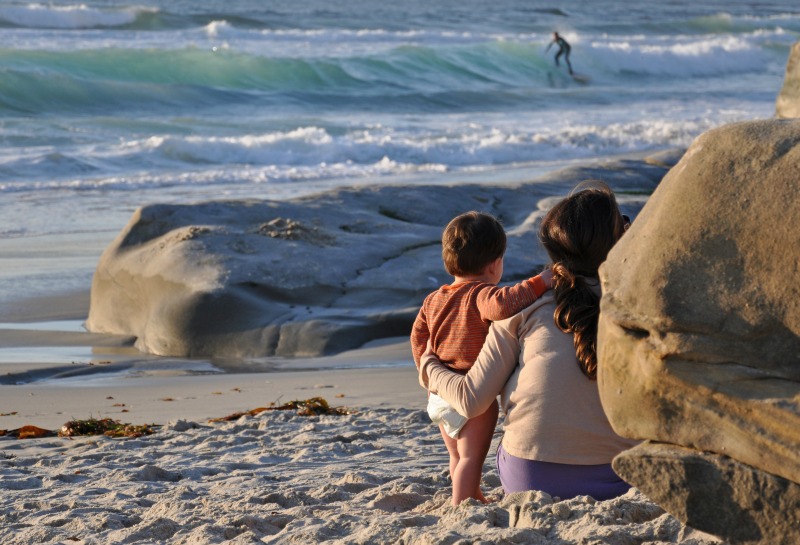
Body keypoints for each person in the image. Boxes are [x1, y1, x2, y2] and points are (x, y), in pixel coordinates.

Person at [419, 182, 638, 501]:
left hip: (530, 477)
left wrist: (428, 367)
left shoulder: (519, 310)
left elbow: (470, 401)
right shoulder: (641, 308)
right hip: (621, 478)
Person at [411, 211, 553, 505]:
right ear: (495, 264)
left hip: (439, 392)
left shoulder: (433, 299)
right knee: (471, 459)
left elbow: (418, 338)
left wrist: (427, 378)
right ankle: (462, 503)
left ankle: (471, 493)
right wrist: (542, 281)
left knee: (457, 455)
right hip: (469, 390)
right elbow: (505, 303)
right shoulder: (482, 294)